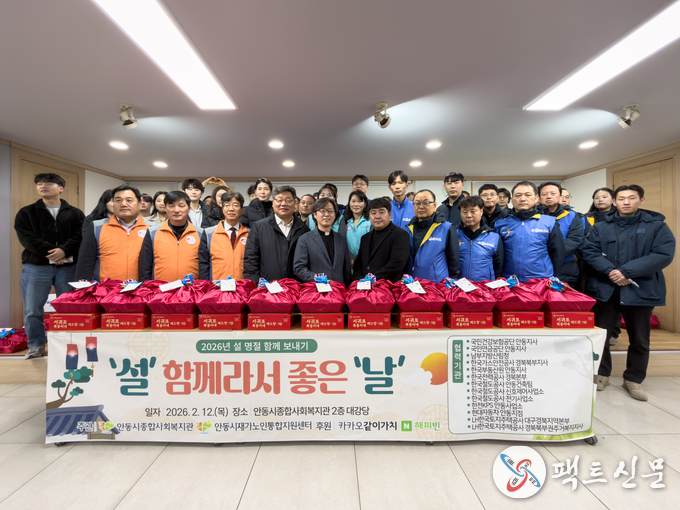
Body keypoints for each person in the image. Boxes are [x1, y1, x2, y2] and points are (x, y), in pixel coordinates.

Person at [582, 185, 675, 401]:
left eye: (631, 198)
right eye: (622, 198)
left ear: (641, 200)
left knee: (639, 338)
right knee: (601, 335)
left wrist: (626, 272)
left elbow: (663, 254)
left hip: (640, 288)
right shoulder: (601, 226)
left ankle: (633, 379)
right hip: (606, 289)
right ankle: (602, 374)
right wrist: (611, 271)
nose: (626, 202)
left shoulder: (657, 226)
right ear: (614, 202)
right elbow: (589, 251)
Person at [15, 173, 85, 360]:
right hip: (36, 266)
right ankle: (36, 345)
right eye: (39, 183)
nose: (42, 186)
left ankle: (70, 343)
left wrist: (64, 250)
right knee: (32, 308)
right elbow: (26, 238)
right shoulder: (26, 212)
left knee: (69, 308)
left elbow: (80, 235)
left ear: (61, 188)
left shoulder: (75, 213)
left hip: (68, 266)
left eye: (48, 183)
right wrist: (54, 253)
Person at [76, 185, 152, 281]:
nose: (123, 204)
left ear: (140, 204)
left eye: (129, 200)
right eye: (118, 200)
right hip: (104, 288)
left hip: (141, 288)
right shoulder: (96, 227)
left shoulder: (152, 229)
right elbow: (85, 262)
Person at [494, 181, 566, 282]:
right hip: (509, 279)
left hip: (541, 279)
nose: (523, 199)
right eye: (518, 195)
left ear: (536, 198)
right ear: (512, 200)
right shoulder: (500, 224)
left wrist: (551, 275)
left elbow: (558, 253)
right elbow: (496, 255)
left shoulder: (549, 222)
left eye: (528, 195)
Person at [243, 185, 310, 282]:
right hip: (267, 286)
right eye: (279, 200)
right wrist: (256, 283)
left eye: (288, 200)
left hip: (296, 287)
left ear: (295, 203)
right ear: (273, 203)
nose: (283, 204)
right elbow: (250, 260)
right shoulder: (259, 227)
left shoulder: (304, 229)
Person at [581, 187, 620, 344]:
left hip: (613, 266)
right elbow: (582, 240)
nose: (600, 200)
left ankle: (613, 332)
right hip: (590, 263)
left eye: (604, 196)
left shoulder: (619, 218)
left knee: (613, 301)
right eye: (597, 197)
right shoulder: (586, 217)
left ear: (613, 200)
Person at [139, 191, 203, 281]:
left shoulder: (200, 233)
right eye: (171, 206)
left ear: (189, 209)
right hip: (160, 287)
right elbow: (145, 266)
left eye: (181, 206)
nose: (176, 210)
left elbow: (204, 266)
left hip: (191, 288)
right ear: (165, 208)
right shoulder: (152, 232)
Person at [294, 198, 351, 285]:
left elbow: (346, 270)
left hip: (339, 289)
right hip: (316, 289)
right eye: (322, 211)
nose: (327, 214)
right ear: (315, 214)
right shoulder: (305, 239)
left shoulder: (341, 239)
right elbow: (299, 268)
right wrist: (318, 279)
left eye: (330, 211)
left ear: (335, 215)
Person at [353, 198, 411, 283]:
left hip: (388, 286)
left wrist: (372, 279)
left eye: (381, 212)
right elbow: (359, 263)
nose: (377, 216)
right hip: (365, 286)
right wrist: (359, 279)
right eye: (373, 213)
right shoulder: (365, 237)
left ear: (390, 214)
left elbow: (397, 264)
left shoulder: (401, 235)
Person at [406, 190, 459, 281]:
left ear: (434, 205)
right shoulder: (407, 228)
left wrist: (451, 281)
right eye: (417, 203)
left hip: (437, 284)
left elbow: (453, 260)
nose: (421, 207)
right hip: (411, 283)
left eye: (426, 203)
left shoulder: (446, 228)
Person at [538, 182, 584, 285]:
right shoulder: (533, 217)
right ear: (539, 198)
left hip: (565, 269)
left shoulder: (571, 216)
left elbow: (574, 240)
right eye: (544, 194)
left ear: (559, 196)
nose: (549, 196)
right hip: (538, 269)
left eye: (553, 193)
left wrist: (552, 254)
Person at [199, 191, 249, 281]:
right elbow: (203, 264)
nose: (231, 209)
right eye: (227, 205)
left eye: (235, 205)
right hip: (217, 287)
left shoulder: (249, 234)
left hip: (243, 286)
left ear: (242, 210)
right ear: (222, 209)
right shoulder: (208, 233)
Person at [457, 195, 503, 281]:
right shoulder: (454, 235)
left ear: (481, 211)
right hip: (459, 286)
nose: (469, 215)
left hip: (485, 286)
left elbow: (498, 267)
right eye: (465, 212)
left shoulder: (493, 236)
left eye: (473, 211)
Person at [338, 190, 371, 268]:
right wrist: (351, 259)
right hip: (348, 262)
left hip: (365, 262)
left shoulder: (370, 221)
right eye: (353, 201)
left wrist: (358, 260)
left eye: (360, 201)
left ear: (365, 204)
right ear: (349, 203)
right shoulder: (344, 221)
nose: (356, 204)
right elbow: (341, 242)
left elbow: (372, 243)